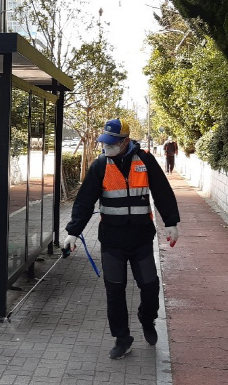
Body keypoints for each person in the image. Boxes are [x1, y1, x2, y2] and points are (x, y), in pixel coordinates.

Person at [64, 118, 180, 360]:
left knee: (149, 287)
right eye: (105, 142)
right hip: (112, 241)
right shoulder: (100, 165)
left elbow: (162, 191)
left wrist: (171, 223)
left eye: (113, 142)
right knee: (114, 292)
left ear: (126, 141)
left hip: (141, 239)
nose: (107, 147)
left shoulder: (145, 160)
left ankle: (147, 319)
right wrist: (73, 232)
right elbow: (84, 201)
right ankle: (122, 337)